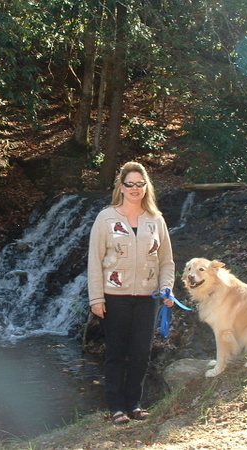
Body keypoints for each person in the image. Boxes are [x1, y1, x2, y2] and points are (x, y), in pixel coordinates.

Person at [87, 161, 175, 424]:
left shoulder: (156, 220)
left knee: (140, 353)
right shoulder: (106, 217)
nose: (135, 188)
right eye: (130, 184)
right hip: (115, 298)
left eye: (140, 184)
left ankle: (134, 404)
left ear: (146, 187)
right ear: (121, 187)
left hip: (148, 298)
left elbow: (166, 261)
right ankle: (116, 406)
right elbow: (94, 260)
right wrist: (96, 298)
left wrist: (166, 287)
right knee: (116, 353)